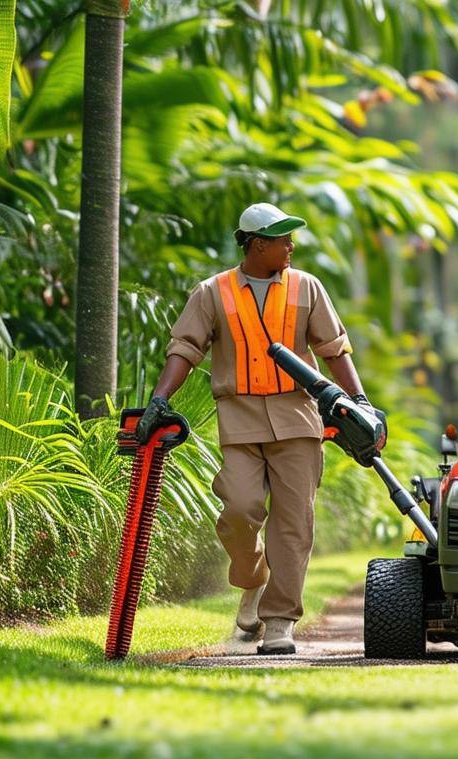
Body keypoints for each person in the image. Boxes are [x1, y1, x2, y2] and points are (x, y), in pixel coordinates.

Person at [136, 202, 380, 655]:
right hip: (241, 419)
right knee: (239, 510)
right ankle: (253, 578)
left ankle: (279, 621)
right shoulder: (214, 292)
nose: (291, 246)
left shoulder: (307, 287)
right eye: (282, 238)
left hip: (298, 417)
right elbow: (185, 348)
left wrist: (359, 400)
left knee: (294, 524)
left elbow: (334, 349)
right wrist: (159, 399)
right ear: (257, 244)